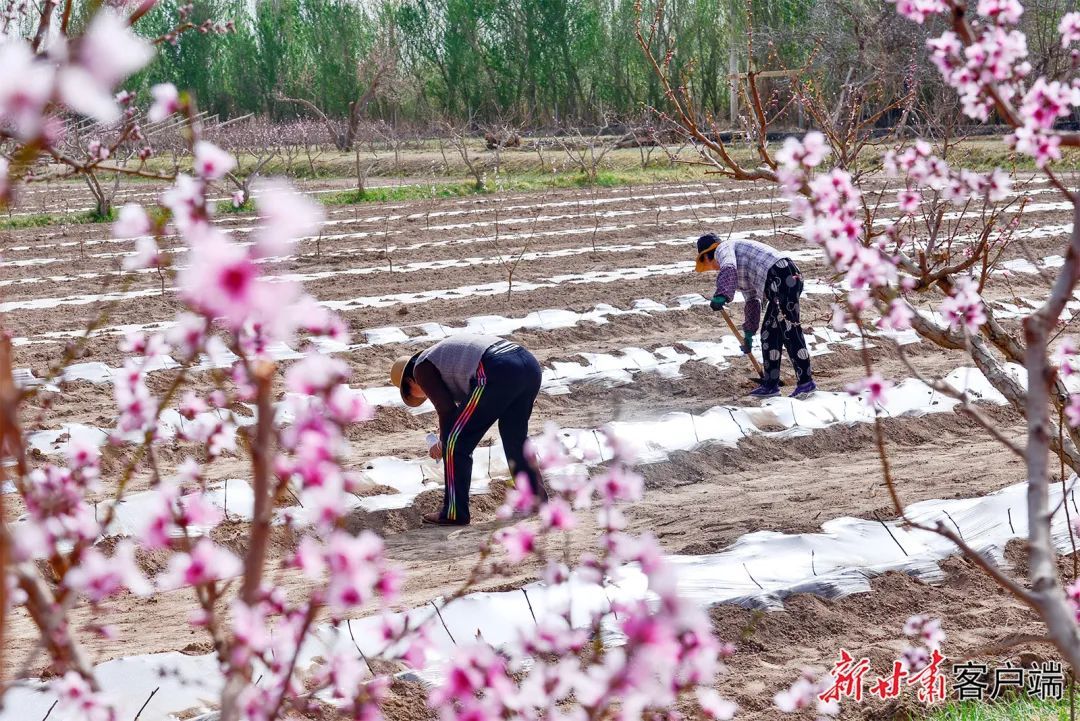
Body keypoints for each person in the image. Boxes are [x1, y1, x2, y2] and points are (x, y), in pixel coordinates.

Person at [390, 335, 548, 525]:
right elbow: (460, 412)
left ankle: (454, 512)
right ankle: (535, 498)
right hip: (527, 364)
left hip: (497, 368)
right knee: (514, 435)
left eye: (409, 392)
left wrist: (445, 443)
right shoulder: (439, 359)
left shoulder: (421, 369)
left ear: (410, 381)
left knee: (457, 444)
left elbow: (447, 411)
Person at [694, 233, 816, 398]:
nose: (713, 268)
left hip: (782, 275)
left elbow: (728, 266)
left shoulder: (723, 248)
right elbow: (752, 301)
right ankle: (770, 385)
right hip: (778, 282)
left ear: (709, 253)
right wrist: (749, 334)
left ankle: (806, 383)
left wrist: (722, 294)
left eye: (707, 263)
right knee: (769, 334)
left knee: (789, 330)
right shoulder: (741, 271)